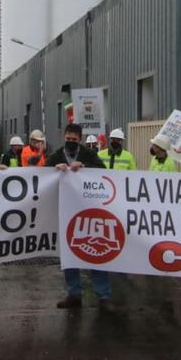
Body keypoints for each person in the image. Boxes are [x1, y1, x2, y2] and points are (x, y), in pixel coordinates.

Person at [46, 123, 110, 309]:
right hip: (65, 211)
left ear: (80, 139)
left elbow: (103, 173)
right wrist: (53, 169)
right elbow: (41, 174)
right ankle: (73, 294)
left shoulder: (89, 155)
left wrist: (84, 166)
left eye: (74, 140)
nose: (71, 142)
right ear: (64, 138)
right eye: (68, 139)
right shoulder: (56, 156)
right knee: (69, 253)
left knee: (97, 250)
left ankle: (103, 295)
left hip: (89, 211)